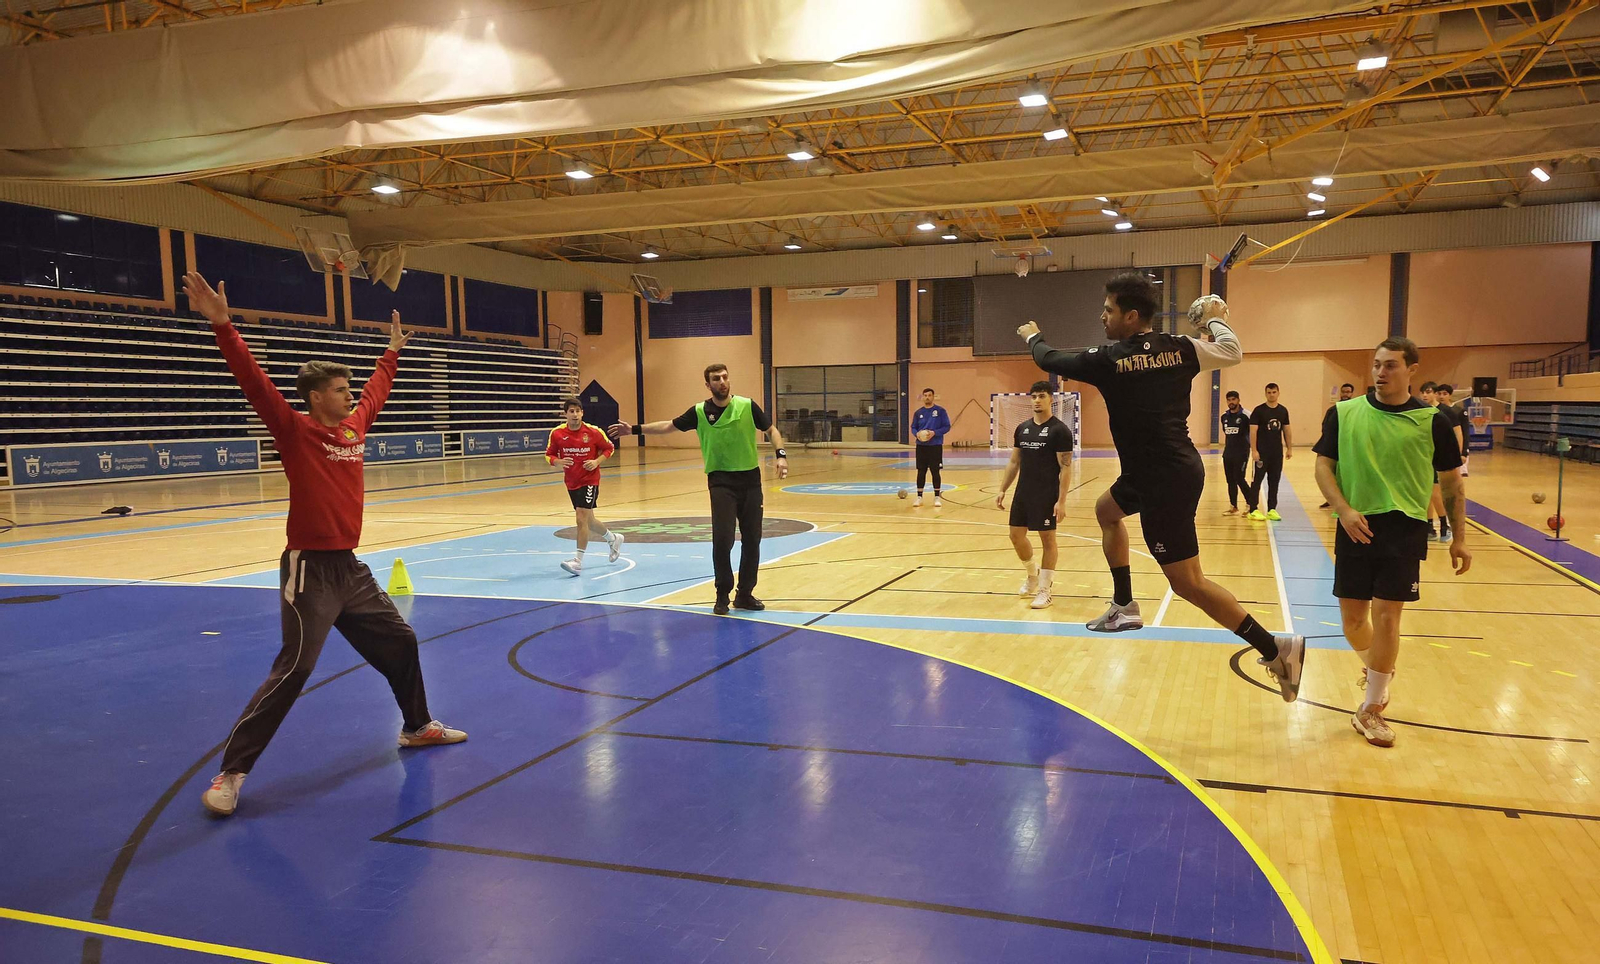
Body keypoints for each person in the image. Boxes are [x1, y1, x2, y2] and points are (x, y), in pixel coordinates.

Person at [181, 271, 466, 819]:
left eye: (350, 387)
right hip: (308, 572)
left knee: (401, 641)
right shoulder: (294, 430)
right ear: (316, 397)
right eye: (340, 389)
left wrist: (391, 354)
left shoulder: (353, 432)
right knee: (294, 669)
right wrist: (223, 325)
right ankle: (232, 772)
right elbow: (253, 381)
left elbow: (377, 392)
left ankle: (417, 727)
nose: (351, 394)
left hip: (350, 572)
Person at [1020, 277, 1306, 701]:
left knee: (1187, 583)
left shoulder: (1108, 360)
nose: (1102, 316)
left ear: (1130, 316)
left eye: (1108, 310)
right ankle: (1124, 606)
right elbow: (1233, 350)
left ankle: (1277, 648)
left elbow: (1049, 357)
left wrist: (1032, 335)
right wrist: (1214, 320)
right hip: (1155, 471)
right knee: (1106, 510)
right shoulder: (1182, 347)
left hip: (1164, 479)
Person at [1314, 338, 1471, 747]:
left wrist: (1459, 538)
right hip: (1354, 524)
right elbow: (1323, 467)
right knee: (1353, 623)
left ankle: (1371, 708)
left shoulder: (1432, 420)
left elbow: (1452, 483)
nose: (1381, 373)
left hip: (1404, 528)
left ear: (1412, 370)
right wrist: (1343, 510)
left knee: (1387, 617)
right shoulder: (1343, 414)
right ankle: (1380, 669)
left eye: (1391, 366)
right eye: (1377, 365)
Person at [608, 364, 788, 615]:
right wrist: (635, 429)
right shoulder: (700, 411)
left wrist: (780, 455)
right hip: (721, 482)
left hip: (750, 482)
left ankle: (745, 594)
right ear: (708, 385)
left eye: (725, 377)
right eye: (716, 379)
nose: (722, 381)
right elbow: (669, 426)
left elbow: (771, 430)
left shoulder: (748, 406)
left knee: (752, 540)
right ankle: (722, 594)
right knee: (723, 540)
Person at [994, 381, 1073, 609]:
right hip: (1023, 493)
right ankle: (1032, 576)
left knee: (1048, 540)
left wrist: (1061, 500)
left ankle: (1045, 590)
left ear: (1051, 399)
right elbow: (1014, 461)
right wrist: (1002, 489)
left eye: (1041, 396)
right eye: (1034, 396)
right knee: (1016, 536)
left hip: (1046, 494)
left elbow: (1066, 467)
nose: (1037, 400)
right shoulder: (1023, 428)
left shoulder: (1060, 431)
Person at [545, 396, 623, 575]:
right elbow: (548, 455)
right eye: (571, 411)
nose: (575, 415)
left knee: (581, 518)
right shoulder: (556, 433)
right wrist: (558, 462)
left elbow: (609, 448)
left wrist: (596, 462)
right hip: (571, 481)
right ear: (565, 414)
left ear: (582, 413)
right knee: (590, 520)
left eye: (577, 411)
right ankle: (613, 539)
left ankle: (577, 561)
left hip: (590, 480)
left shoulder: (593, 432)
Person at [1246, 384, 1291, 521]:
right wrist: (1254, 450)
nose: (1271, 394)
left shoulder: (1283, 411)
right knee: (1257, 481)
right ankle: (1253, 509)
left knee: (1274, 481)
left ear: (1278, 393)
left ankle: (1272, 509)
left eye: (1274, 392)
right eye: (1269, 392)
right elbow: (1253, 431)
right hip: (1262, 453)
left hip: (1276, 454)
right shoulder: (1259, 411)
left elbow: (1287, 430)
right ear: (1265, 393)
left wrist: (1289, 448)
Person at [910, 387, 952, 507]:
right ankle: (919, 497)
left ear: (933, 397)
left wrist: (934, 433)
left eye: (929, 395)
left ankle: (937, 497)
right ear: (923, 397)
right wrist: (916, 434)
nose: (927, 397)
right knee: (921, 471)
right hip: (921, 446)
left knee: (935, 471)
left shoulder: (940, 411)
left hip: (935, 446)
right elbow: (913, 427)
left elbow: (947, 426)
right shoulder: (918, 413)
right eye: (925, 395)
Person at [1318, 384, 1356, 508]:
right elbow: (1325, 427)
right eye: (1344, 391)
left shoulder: (1356, 410)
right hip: (1335, 447)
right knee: (1330, 473)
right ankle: (1331, 499)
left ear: (1352, 393)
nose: (1346, 394)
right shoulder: (1333, 410)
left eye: (1348, 392)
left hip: (1350, 447)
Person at [1219, 390, 1252, 515]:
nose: (1231, 402)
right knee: (1230, 480)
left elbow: (1254, 433)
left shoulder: (1246, 415)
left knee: (1239, 478)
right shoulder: (1224, 417)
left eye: (1233, 399)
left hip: (1242, 453)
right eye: (1229, 400)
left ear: (1238, 400)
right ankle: (1233, 506)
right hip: (1228, 453)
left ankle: (1251, 504)